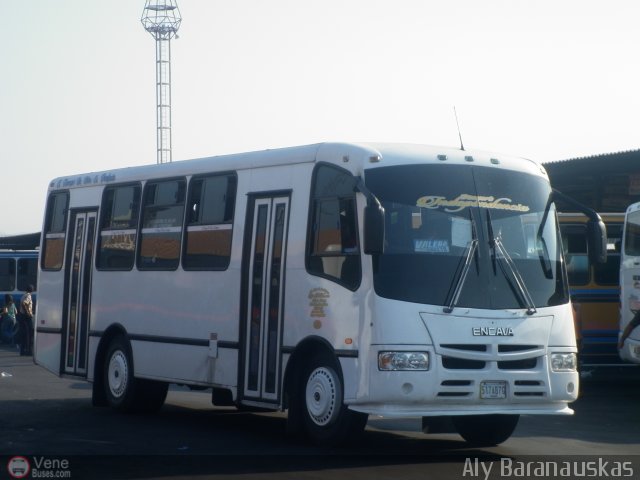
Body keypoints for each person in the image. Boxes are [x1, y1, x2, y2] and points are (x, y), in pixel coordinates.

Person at [18, 285, 34, 356]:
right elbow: (24, 303)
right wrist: (28, 313)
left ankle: (22, 351)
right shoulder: (28, 296)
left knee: (24, 334)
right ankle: (28, 351)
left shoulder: (23, 295)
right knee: (29, 334)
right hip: (26, 317)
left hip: (22, 316)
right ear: (32, 290)